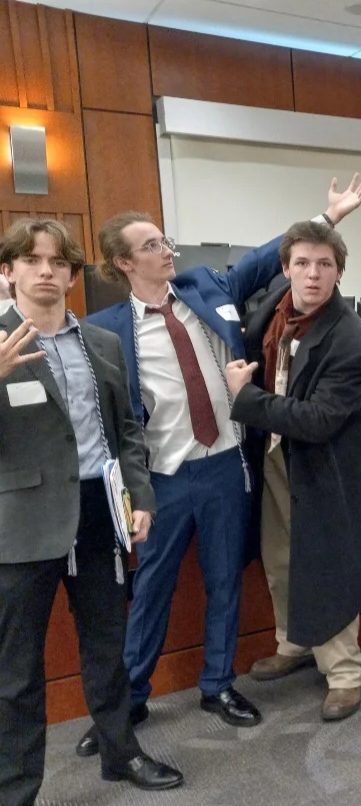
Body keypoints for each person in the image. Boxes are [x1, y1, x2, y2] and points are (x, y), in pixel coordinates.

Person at [75, 175, 361, 754]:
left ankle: (218, 686)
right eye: (155, 245)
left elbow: (271, 258)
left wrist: (329, 216)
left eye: (166, 241)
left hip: (226, 464)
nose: (169, 251)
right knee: (152, 590)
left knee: (225, 583)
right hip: (161, 476)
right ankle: (129, 699)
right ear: (123, 263)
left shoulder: (205, 287)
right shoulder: (104, 332)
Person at [0, 218, 183, 804]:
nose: (47, 271)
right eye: (32, 260)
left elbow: (126, 430)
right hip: (21, 523)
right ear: (9, 271)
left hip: (98, 511)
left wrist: (141, 496)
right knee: (17, 673)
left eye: (58, 262)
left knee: (108, 645)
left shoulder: (100, 342)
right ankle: (17, 788)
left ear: (74, 274)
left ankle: (119, 752)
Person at [226, 219, 361, 721]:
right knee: (279, 554)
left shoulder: (351, 340)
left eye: (325, 265)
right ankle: (293, 643)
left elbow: (318, 421)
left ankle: (345, 671)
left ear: (339, 273)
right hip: (271, 455)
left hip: (320, 465)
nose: (313, 275)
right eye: (303, 263)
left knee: (325, 562)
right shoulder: (272, 308)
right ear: (286, 268)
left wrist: (244, 399)